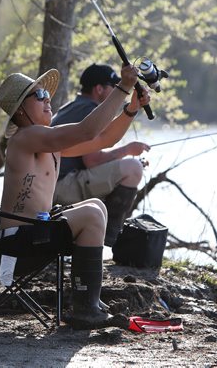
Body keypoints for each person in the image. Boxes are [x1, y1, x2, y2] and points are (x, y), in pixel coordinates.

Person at [0, 65, 150, 330]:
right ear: (20, 110)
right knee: (91, 215)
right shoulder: (25, 138)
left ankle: (89, 302)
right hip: (16, 247)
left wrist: (131, 108)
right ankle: (85, 309)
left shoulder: (48, 143)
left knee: (95, 205)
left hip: (35, 236)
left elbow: (102, 139)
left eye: (46, 94)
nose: (47, 99)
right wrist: (123, 87)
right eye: (39, 94)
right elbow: (86, 131)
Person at [51, 64, 150, 247]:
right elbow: (92, 160)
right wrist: (126, 151)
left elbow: (98, 146)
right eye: (114, 88)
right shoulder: (90, 110)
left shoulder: (71, 106)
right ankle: (109, 241)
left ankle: (99, 236)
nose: (118, 95)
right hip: (60, 186)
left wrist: (132, 108)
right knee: (133, 169)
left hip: (51, 185)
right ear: (99, 89)